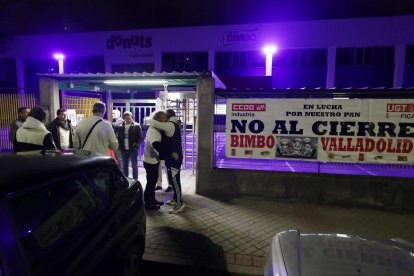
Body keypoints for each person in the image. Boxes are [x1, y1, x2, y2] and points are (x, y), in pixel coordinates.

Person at [147, 109, 185, 214]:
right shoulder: (173, 124)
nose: (164, 119)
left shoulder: (170, 125)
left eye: (165, 116)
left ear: (168, 116)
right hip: (171, 158)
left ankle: (179, 203)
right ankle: (175, 198)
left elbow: (151, 121)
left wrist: (150, 119)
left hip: (175, 158)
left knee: (175, 181)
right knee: (173, 180)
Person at [143, 111, 167, 210]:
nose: (166, 120)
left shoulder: (156, 129)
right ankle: (148, 204)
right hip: (150, 160)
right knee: (151, 182)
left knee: (152, 181)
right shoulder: (153, 130)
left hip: (152, 160)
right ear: (159, 119)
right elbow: (155, 144)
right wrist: (167, 153)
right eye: (164, 118)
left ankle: (152, 200)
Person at [117, 111, 142, 179]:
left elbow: (140, 137)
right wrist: (119, 146)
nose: (128, 120)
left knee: (134, 165)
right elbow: (119, 137)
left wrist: (137, 145)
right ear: (124, 118)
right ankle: (126, 181)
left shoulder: (136, 126)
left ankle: (135, 181)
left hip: (132, 149)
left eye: (129, 118)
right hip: (124, 149)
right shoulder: (121, 126)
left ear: (132, 118)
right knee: (125, 166)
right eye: (126, 118)